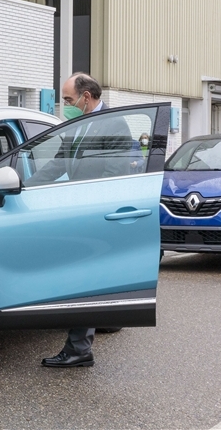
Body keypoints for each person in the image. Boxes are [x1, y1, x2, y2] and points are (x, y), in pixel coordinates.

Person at [31, 72, 132, 368]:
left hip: (96, 212)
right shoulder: (78, 124)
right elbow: (58, 164)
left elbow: (116, 171)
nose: (65, 106)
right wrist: (27, 185)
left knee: (84, 279)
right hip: (80, 208)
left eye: (68, 99)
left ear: (86, 97)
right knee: (87, 279)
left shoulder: (113, 124)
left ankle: (78, 349)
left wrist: (93, 208)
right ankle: (87, 337)